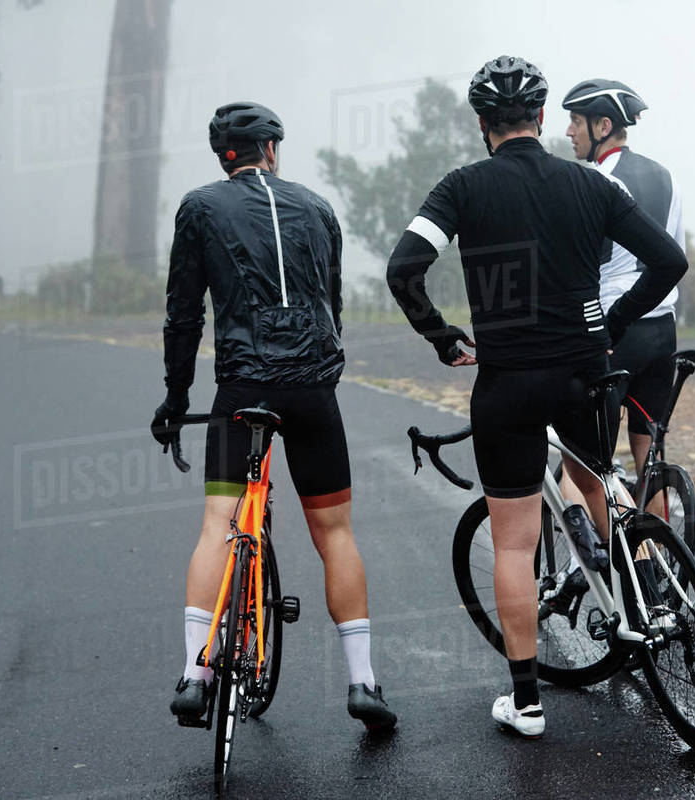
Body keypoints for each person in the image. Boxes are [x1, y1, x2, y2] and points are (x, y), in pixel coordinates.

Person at [385, 56, 688, 737]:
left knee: (516, 545)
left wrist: (442, 338)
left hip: (507, 382)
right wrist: (608, 324)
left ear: (482, 125)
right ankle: (641, 604)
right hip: (587, 371)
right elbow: (668, 259)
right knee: (601, 479)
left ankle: (525, 704)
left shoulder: (461, 188)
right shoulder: (587, 183)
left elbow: (404, 269)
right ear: (544, 118)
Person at [152, 101, 395, 731]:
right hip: (313, 388)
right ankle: (364, 683)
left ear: (223, 156)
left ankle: (193, 674)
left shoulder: (200, 207)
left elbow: (184, 317)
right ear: (271, 149)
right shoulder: (317, 207)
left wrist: (176, 402)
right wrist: (319, 374)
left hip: (243, 389)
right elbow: (332, 307)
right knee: (335, 534)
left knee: (218, 526)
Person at [562, 79, 685, 498]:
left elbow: (580, 264)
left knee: (583, 459)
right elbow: (674, 253)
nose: (568, 132)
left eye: (575, 121)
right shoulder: (668, 177)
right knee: (650, 459)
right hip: (662, 329)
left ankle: (606, 559)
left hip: (615, 328)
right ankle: (656, 560)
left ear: (602, 125)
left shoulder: (594, 181)